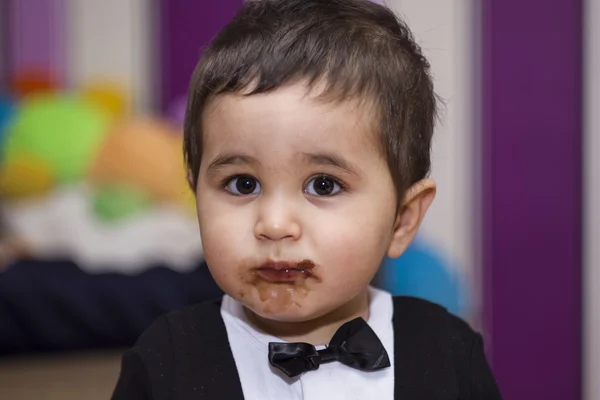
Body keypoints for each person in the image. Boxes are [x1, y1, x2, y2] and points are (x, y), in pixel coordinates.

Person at [112, 0, 502, 398]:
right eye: (243, 184)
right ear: (196, 196)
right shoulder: (167, 360)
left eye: (323, 185)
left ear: (402, 219)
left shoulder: (448, 352)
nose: (275, 224)